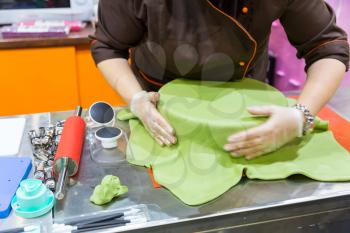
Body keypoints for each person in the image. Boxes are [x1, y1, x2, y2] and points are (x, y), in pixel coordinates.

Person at [90, 0, 349, 160]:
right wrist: (136, 99)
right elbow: (109, 46)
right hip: (160, 107)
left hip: (243, 105)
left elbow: (327, 47)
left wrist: (300, 115)